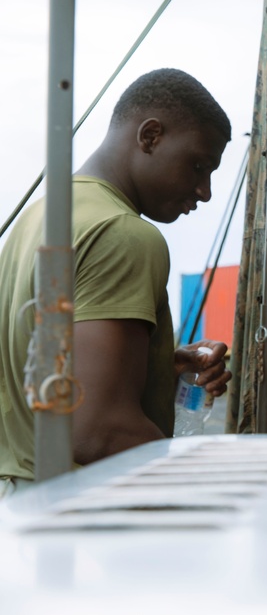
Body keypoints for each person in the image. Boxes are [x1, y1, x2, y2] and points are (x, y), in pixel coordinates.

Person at [0, 68, 234, 493]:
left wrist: (158, 365)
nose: (205, 191)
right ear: (150, 136)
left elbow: (38, 368)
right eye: (198, 166)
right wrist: (210, 487)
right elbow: (98, 430)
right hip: (79, 515)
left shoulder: (39, 218)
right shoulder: (123, 233)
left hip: (19, 506)